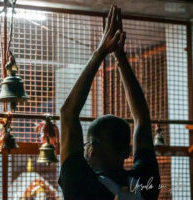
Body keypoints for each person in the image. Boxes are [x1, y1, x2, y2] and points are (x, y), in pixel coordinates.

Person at [59, 5, 160, 200]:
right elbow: (142, 119)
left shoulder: (81, 186)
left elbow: (67, 113)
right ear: (127, 151)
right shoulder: (144, 184)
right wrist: (120, 58)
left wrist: (101, 52)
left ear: (92, 149)